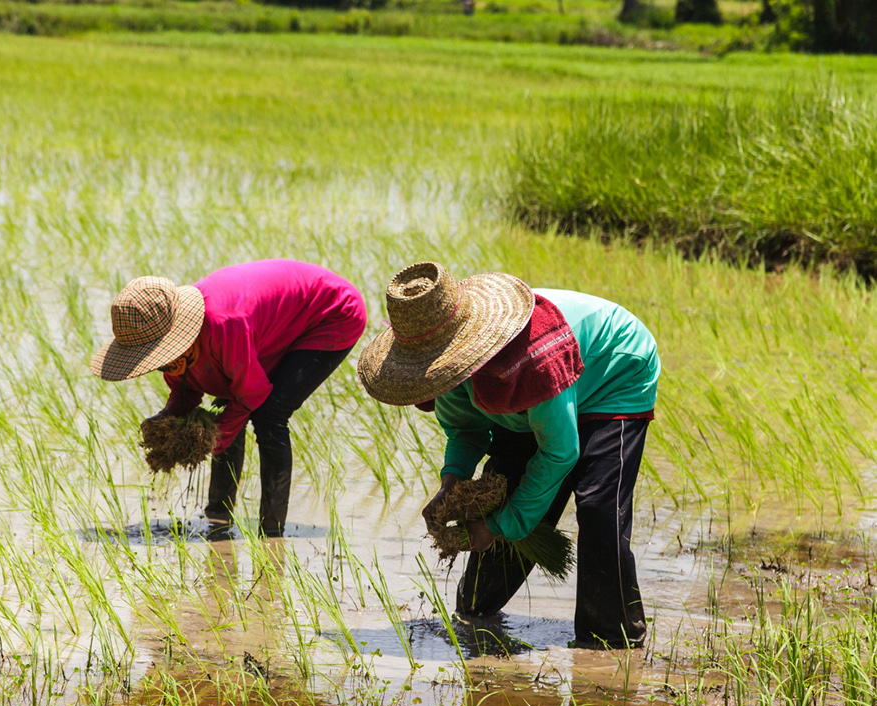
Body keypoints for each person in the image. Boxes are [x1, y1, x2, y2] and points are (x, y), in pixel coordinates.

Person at [357, 261, 660, 648]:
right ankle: (476, 609)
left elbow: (559, 453)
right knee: (501, 490)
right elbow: (467, 431)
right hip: (535, 396)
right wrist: (451, 484)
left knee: (599, 507)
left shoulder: (531, 360)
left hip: (614, 373)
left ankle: (611, 639)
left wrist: (499, 527)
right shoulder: (449, 366)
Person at [91, 259, 367, 538]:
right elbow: (186, 391)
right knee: (225, 400)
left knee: (270, 415)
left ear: (179, 337)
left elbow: (252, 393)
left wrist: (212, 438)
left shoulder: (224, 325)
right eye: (157, 364)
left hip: (330, 313)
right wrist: (165, 421)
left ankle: (271, 532)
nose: (163, 367)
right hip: (271, 323)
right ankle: (219, 517)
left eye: (162, 359)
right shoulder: (181, 341)